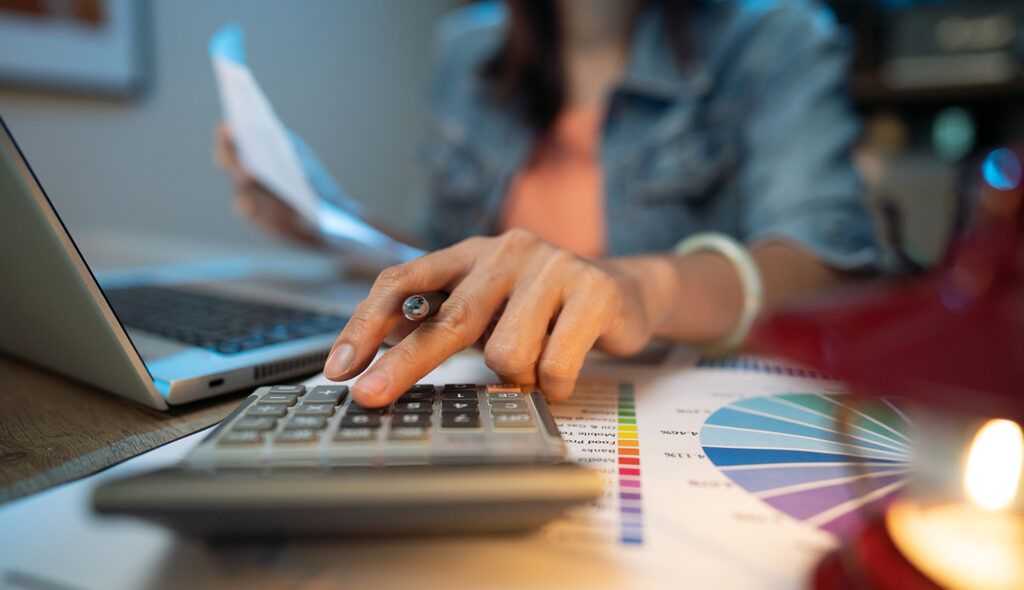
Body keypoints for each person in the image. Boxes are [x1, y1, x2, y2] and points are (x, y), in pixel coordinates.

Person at [215, 0, 880, 408]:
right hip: (495, 400)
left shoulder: (777, 38)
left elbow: (825, 263)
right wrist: (330, 221)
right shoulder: (465, 51)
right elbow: (444, 261)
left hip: (671, 411)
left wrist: (642, 286)